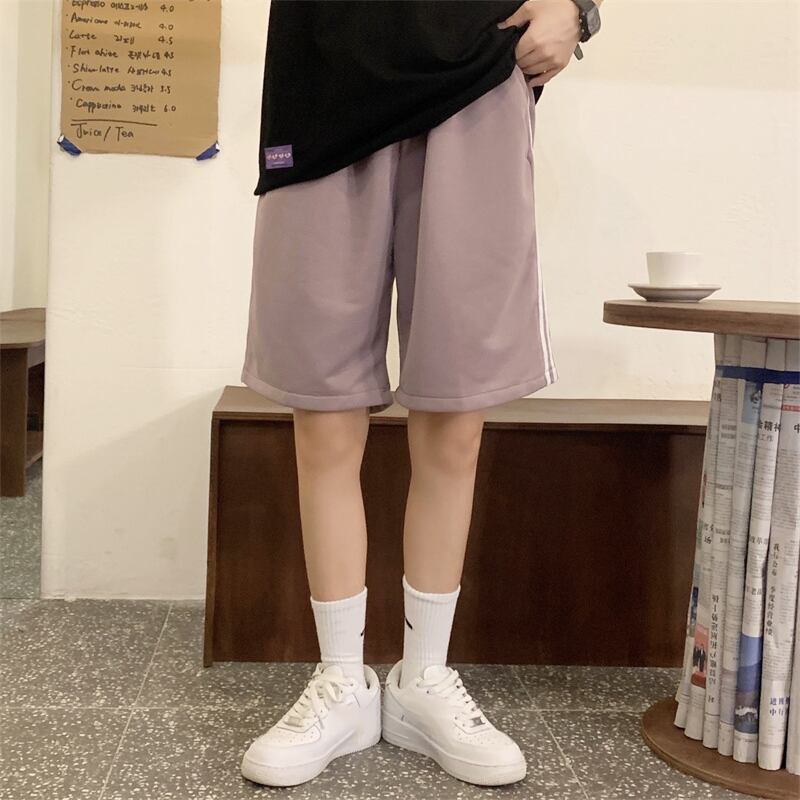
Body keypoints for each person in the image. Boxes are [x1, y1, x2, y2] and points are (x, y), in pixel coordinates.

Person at [239, 0, 603, 788]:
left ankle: (422, 677)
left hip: (477, 78)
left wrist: (578, 7)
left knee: (456, 414)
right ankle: (343, 680)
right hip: (322, 85)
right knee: (323, 414)